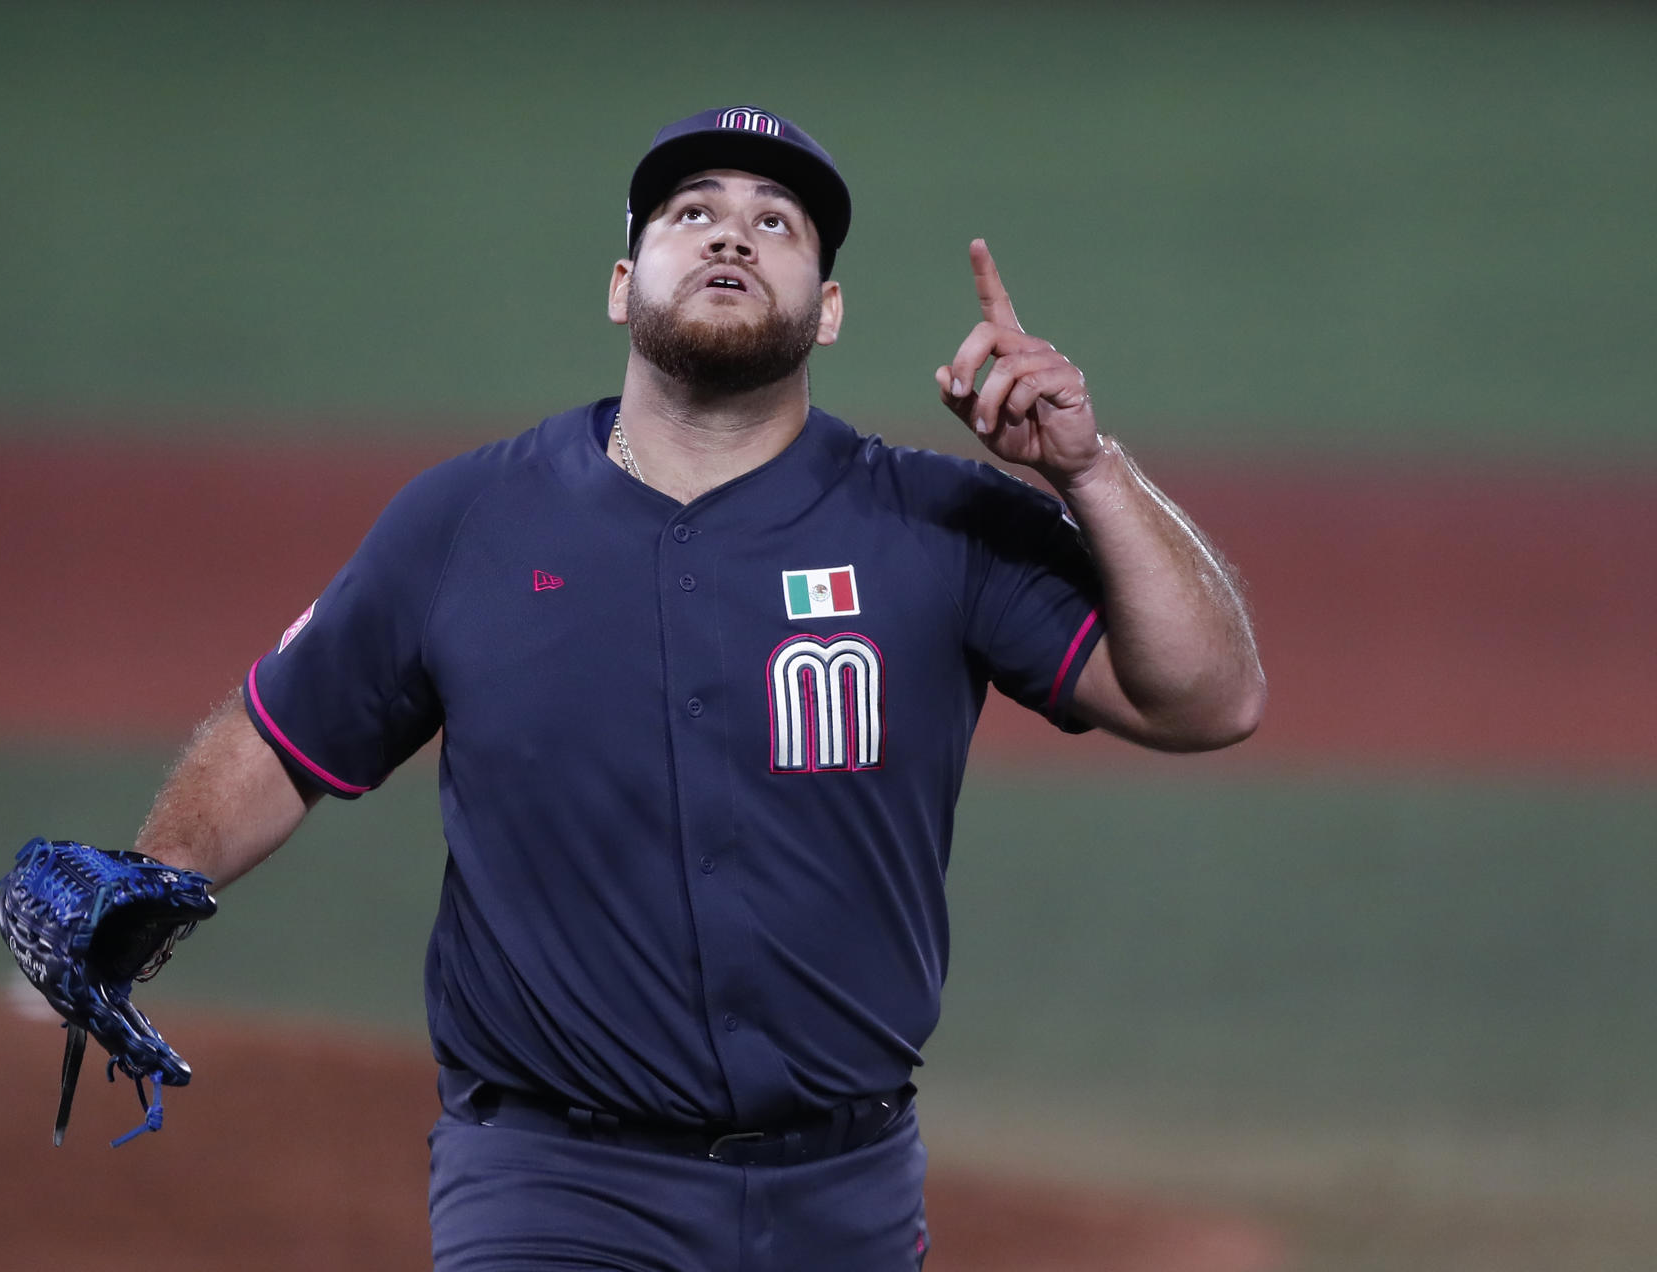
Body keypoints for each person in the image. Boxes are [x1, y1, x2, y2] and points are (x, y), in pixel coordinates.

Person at [134, 106, 1264, 1271]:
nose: (732, 237)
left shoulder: (935, 522)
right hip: (552, 1186)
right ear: (624, 285)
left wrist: (1088, 469)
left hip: (848, 1193)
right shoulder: (467, 520)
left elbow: (1207, 699)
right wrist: (146, 886)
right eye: (693, 214)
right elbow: (281, 731)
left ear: (827, 309)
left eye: (775, 222)